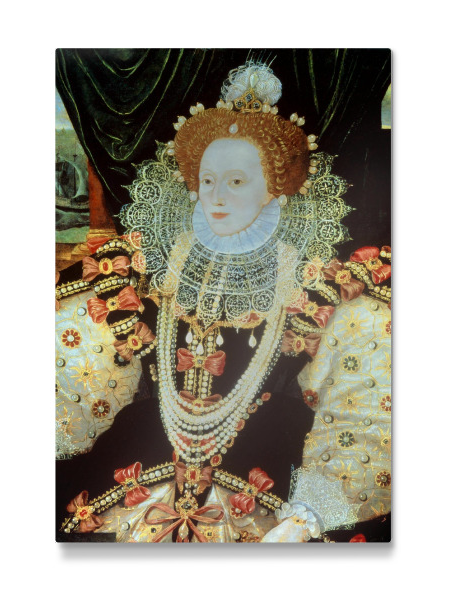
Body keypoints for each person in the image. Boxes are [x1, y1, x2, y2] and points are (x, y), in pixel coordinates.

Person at [55, 62, 391, 543]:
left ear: (274, 187)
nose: (215, 196)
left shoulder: (316, 282)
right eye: (208, 180)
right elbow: (77, 375)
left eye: (236, 181)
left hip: (268, 459)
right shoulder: (142, 269)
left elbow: (358, 407)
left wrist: (312, 513)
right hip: (142, 448)